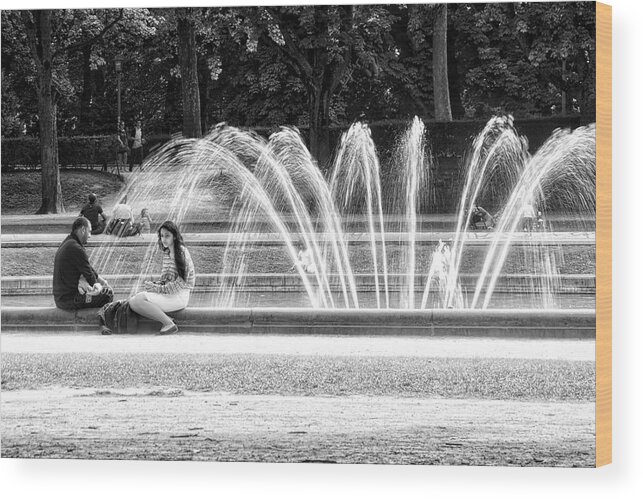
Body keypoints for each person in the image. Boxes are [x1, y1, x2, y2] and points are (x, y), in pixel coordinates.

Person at [129, 220, 195, 334]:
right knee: (134, 300)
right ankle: (167, 320)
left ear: (174, 236)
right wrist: (155, 285)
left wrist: (157, 289)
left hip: (180, 296)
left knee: (138, 299)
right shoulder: (167, 252)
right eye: (162, 236)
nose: (164, 239)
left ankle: (168, 324)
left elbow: (180, 283)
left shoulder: (182, 253)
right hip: (170, 294)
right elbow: (167, 279)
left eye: (167, 236)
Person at [53, 217, 114, 317]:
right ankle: (103, 321)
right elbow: (88, 273)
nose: (89, 236)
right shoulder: (76, 248)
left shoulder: (68, 242)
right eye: (89, 232)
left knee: (101, 291)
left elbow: (87, 267)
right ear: (83, 230)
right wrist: (97, 286)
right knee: (108, 294)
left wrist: (103, 282)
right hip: (69, 300)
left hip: (62, 299)